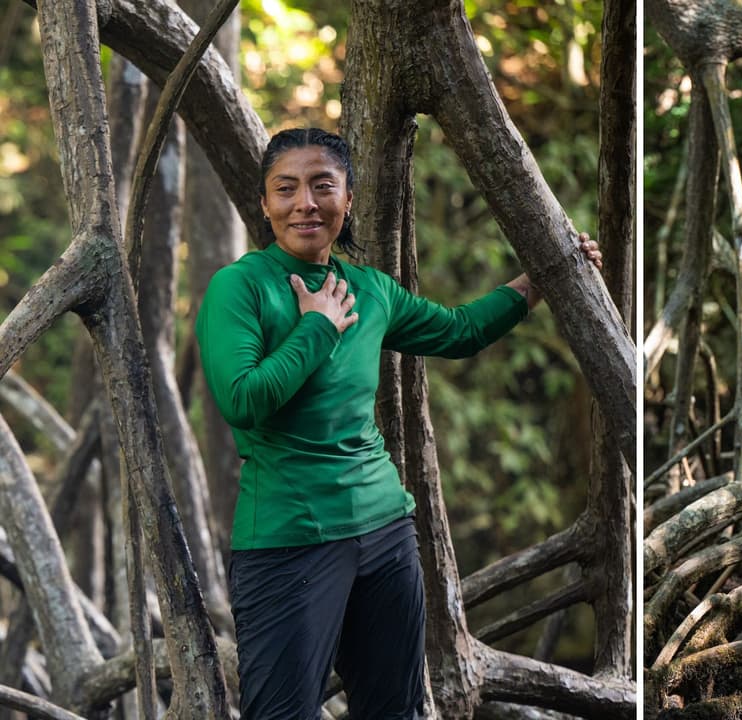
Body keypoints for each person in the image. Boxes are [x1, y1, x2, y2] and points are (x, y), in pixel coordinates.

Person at [195, 128, 601, 719]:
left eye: (322, 186)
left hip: (386, 533)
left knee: (396, 710)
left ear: (348, 199)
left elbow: (459, 332)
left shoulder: (371, 290)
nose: (305, 202)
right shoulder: (240, 286)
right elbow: (242, 399)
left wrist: (539, 279)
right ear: (264, 204)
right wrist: (317, 327)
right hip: (289, 540)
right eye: (286, 189)